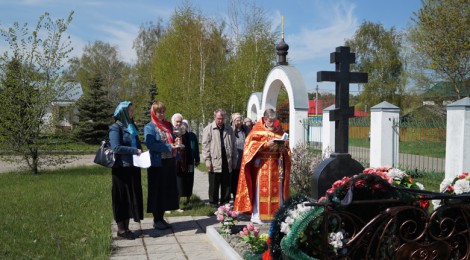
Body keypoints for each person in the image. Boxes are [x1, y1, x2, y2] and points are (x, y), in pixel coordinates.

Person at [234, 108, 291, 224]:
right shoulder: (256, 131)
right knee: (261, 191)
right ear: (265, 119)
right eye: (270, 121)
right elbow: (249, 146)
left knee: (276, 191)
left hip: (276, 166)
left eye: (274, 120)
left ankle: (275, 216)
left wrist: (283, 147)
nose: (272, 123)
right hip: (262, 166)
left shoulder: (279, 131)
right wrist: (265, 144)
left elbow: (287, 149)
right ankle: (259, 216)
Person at [109, 101, 144, 239]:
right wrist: (134, 150)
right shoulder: (115, 128)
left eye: (132, 110)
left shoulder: (131, 126)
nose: (132, 113)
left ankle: (127, 228)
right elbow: (116, 147)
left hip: (133, 167)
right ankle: (121, 230)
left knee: (131, 197)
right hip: (121, 169)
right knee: (121, 198)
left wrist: (143, 152)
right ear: (123, 112)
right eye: (129, 111)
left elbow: (137, 142)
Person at [144, 101, 180, 230]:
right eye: (159, 112)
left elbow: (172, 139)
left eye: (163, 111)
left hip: (169, 161)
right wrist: (168, 146)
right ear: (154, 112)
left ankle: (162, 218)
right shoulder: (150, 127)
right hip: (157, 163)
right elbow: (150, 145)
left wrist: (176, 142)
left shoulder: (168, 125)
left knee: (166, 191)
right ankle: (156, 219)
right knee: (157, 191)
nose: (162, 114)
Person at [202, 108, 236, 207]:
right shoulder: (208, 129)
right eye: (218, 118)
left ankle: (225, 202)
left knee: (226, 182)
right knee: (214, 183)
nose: (220, 121)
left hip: (227, 158)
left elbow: (233, 144)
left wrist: (234, 160)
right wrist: (207, 161)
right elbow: (205, 146)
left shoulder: (229, 129)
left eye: (222, 118)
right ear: (214, 117)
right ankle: (213, 202)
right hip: (214, 159)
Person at [171, 113, 195, 208]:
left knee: (180, 183)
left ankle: (178, 204)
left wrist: (189, 162)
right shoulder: (171, 132)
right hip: (173, 161)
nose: (179, 123)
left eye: (180, 121)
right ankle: (171, 205)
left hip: (184, 162)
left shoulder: (185, 134)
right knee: (173, 184)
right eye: (177, 121)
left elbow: (189, 148)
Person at [230, 113, 249, 201]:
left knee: (242, 179)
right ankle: (234, 197)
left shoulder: (245, 130)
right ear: (233, 121)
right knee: (233, 179)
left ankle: (241, 197)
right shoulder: (230, 130)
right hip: (234, 157)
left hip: (243, 158)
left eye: (240, 120)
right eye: (237, 120)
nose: (239, 122)